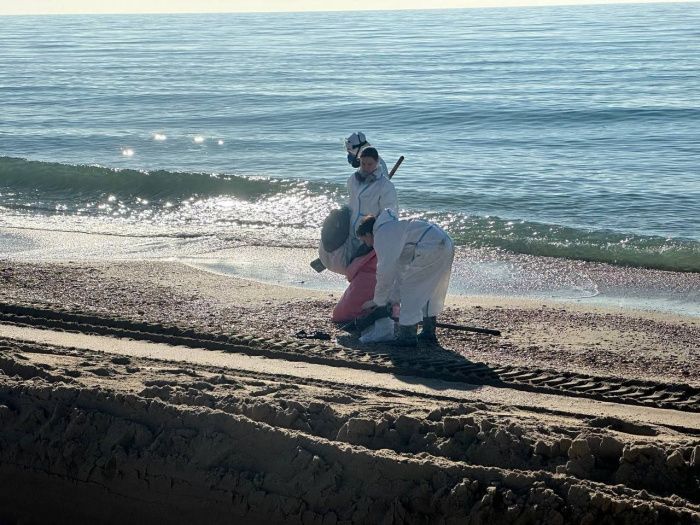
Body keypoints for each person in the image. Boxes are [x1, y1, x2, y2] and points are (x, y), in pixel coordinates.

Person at [356, 209, 455, 347]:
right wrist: (392, 299)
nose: (367, 245)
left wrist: (379, 301)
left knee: (411, 291)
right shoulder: (394, 227)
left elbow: (384, 272)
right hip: (445, 242)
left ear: (367, 233)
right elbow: (400, 270)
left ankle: (407, 337)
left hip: (430, 246)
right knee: (430, 290)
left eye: (364, 240)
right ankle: (428, 332)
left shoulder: (381, 235)